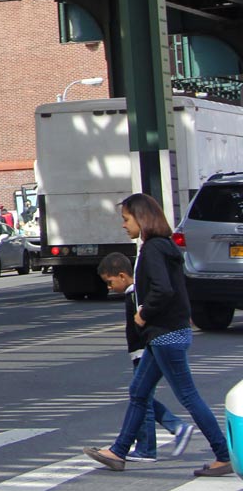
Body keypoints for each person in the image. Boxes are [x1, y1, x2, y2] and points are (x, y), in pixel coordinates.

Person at [85, 193, 231, 478]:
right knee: (138, 392)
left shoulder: (153, 249)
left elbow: (163, 290)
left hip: (165, 334)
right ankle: (119, 451)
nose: (124, 225)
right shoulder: (161, 246)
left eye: (126, 219)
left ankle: (224, 454)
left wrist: (143, 314)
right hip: (163, 335)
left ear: (141, 218)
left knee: (188, 396)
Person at [99, 252, 195, 463]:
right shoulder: (135, 293)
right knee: (142, 396)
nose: (109, 287)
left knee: (142, 398)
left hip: (144, 352)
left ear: (123, 276)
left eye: (109, 282)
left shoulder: (135, 294)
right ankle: (167, 432)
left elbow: (141, 325)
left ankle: (151, 444)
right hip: (143, 351)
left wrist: (141, 350)